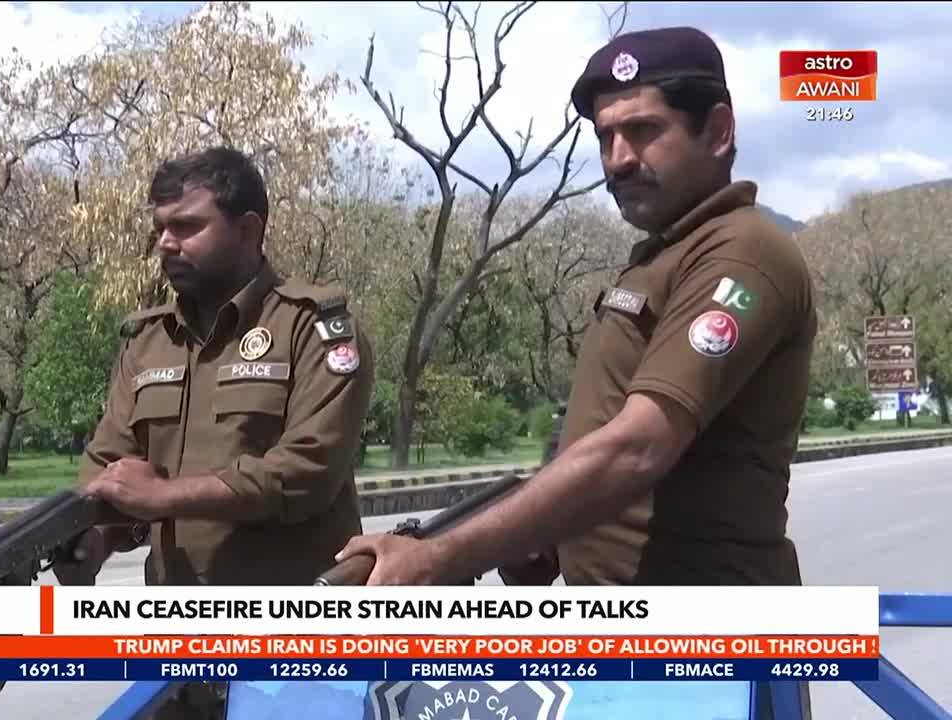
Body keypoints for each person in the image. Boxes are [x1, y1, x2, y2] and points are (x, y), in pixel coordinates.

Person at [334, 26, 815, 716]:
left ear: (718, 130)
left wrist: (443, 559)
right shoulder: (658, 260)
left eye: (644, 130)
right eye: (605, 136)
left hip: (713, 652)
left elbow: (638, 444)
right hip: (631, 646)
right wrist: (549, 538)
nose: (617, 158)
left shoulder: (744, 253)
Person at [53, 145, 376, 719]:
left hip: (295, 661)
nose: (166, 243)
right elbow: (110, 467)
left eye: (187, 226)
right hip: (175, 664)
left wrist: (162, 497)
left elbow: (307, 472)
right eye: (160, 228)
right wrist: (92, 541)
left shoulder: (313, 327)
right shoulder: (146, 340)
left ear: (250, 228)